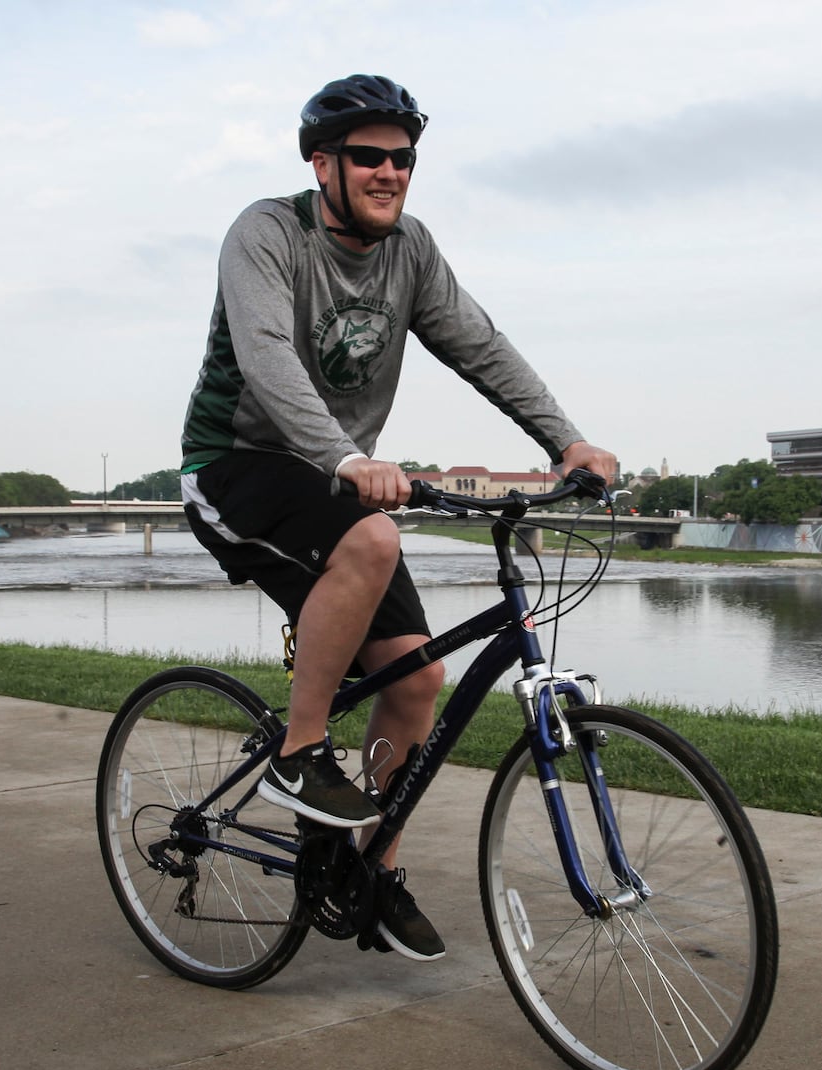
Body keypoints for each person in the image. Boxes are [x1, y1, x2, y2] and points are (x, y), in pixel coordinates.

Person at [180, 73, 616, 962]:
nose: (390, 173)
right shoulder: (267, 233)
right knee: (372, 537)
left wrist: (566, 442)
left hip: (335, 482)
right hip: (238, 465)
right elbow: (266, 356)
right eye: (369, 157)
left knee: (415, 684)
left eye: (404, 159)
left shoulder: (410, 251)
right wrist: (346, 459)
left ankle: (365, 869)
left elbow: (480, 346)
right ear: (322, 163)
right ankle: (300, 754)